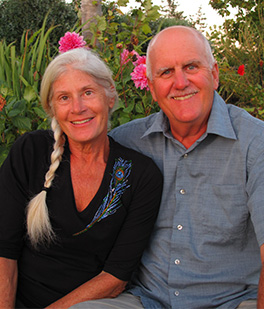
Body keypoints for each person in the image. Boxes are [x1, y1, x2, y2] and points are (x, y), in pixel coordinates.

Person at [75, 25, 264, 308]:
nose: (180, 82)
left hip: (232, 301)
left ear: (214, 75)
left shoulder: (255, 143)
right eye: (166, 72)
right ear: (151, 88)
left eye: (191, 66)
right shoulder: (128, 143)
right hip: (148, 300)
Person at [0, 48, 163, 308]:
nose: (78, 108)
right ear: (52, 108)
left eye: (88, 92)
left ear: (109, 95)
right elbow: (3, 251)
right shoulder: (31, 152)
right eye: (64, 98)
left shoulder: (140, 175)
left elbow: (115, 277)